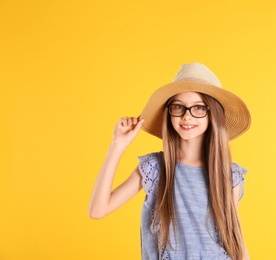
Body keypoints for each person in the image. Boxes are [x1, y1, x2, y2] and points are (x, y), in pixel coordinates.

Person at [89, 62, 251, 259]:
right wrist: (118, 145)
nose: (186, 116)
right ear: (168, 113)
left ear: (213, 115)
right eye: (178, 107)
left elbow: (237, 241)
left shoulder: (227, 175)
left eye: (198, 108)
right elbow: (98, 210)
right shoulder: (155, 168)